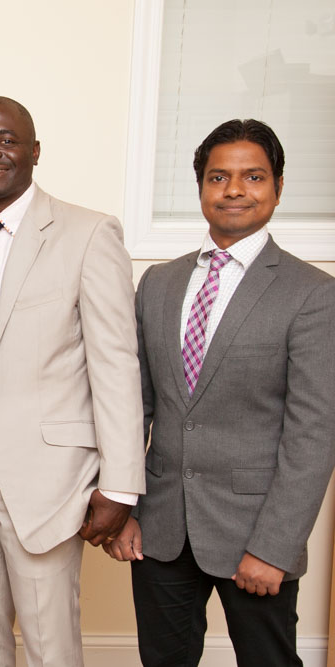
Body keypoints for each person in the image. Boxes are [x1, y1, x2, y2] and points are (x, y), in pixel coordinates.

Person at [104, 119, 335, 666]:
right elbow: (133, 407)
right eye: (218, 177)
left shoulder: (313, 295)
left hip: (253, 536)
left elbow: (313, 435)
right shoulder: (158, 283)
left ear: (278, 186)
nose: (234, 189)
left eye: (253, 176)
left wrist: (273, 548)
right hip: (158, 530)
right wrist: (122, 508)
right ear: (202, 188)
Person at [0, 97, 145, 667]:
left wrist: (122, 484)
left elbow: (115, 364)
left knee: (51, 647)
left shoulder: (88, 232)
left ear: (34, 151)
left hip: (51, 481)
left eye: (5, 139)